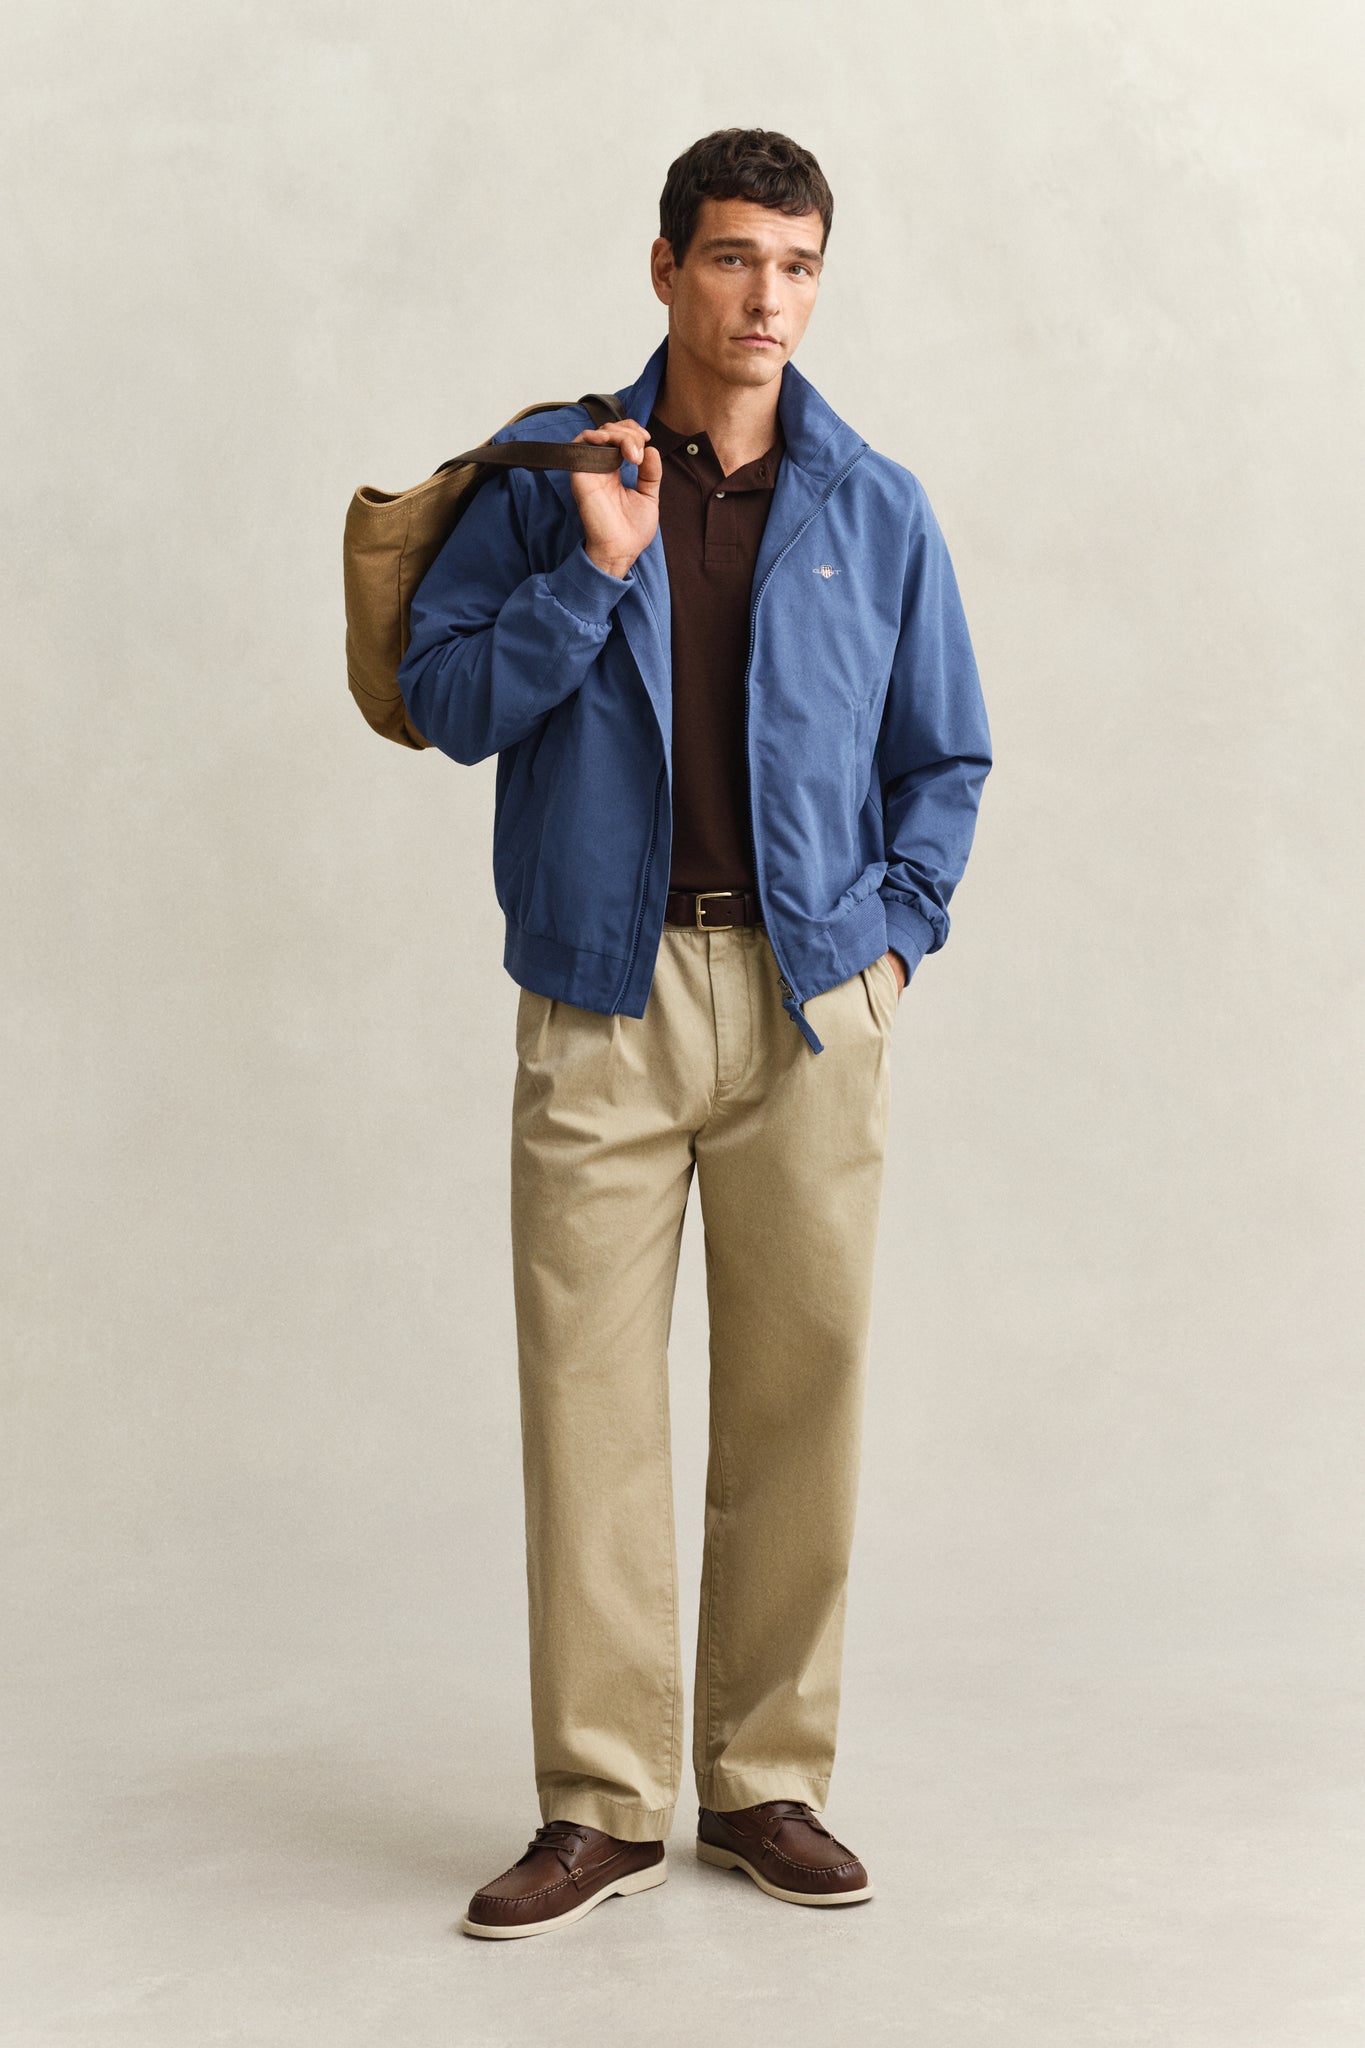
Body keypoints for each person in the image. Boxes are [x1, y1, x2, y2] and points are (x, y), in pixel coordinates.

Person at [396, 126, 993, 1940]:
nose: (766, 299)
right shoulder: (553, 472)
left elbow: (944, 755)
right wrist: (591, 571)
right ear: (663, 268)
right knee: (586, 1407)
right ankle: (596, 1802)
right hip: (603, 992)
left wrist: (890, 946)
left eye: (796, 265)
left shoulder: (872, 504)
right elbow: (445, 699)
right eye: (733, 258)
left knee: (801, 1396)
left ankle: (762, 1780)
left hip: (810, 1004)